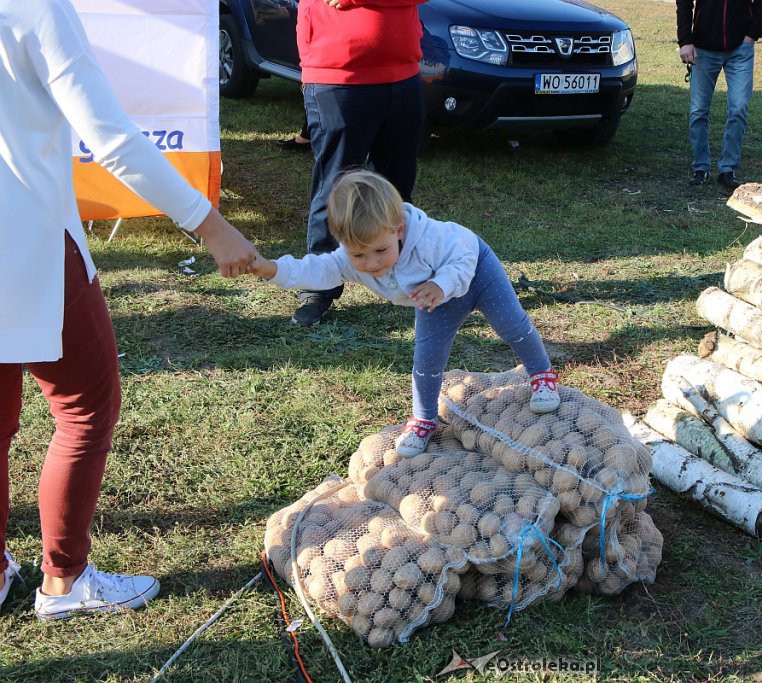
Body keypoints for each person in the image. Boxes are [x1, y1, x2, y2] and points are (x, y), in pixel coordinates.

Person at [1, 0, 258, 617]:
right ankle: (65, 578)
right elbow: (111, 138)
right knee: (86, 405)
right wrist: (210, 226)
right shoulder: (36, 8)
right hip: (28, 239)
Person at [247, 170, 561, 457]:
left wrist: (441, 284)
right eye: (358, 254)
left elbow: (463, 257)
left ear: (398, 229)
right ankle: (424, 419)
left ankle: (542, 374)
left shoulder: (429, 239)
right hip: (432, 297)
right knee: (427, 358)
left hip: (475, 272)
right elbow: (314, 269)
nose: (371, 264)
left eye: (380, 251)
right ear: (343, 243)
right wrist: (271, 268)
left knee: (512, 325)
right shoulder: (348, 257)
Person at [292, 0, 427, 327]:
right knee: (334, 189)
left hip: (403, 74)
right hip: (338, 74)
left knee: (398, 189)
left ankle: (404, 274)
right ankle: (319, 285)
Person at [676, 0, 762, 189]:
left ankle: (728, 169)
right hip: (703, 47)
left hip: (740, 49)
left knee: (738, 108)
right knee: (698, 110)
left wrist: (753, 33)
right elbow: (684, 2)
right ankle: (700, 167)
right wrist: (685, 40)